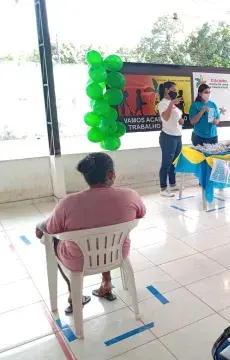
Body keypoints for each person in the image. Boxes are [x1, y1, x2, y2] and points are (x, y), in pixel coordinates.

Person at [35, 153, 146, 314]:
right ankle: (107, 282)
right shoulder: (130, 196)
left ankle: (74, 293)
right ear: (111, 175)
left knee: (55, 239)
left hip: (78, 261)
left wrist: (39, 225)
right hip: (117, 253)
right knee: (105, 237)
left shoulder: (68, 203)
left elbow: (51, 228)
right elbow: (141, 213)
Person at [157, 81, 184, 197]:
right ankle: (163, 188)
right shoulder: (163, 103)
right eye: (173, 89)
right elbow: (166, 118)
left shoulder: (172, 103)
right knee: (166, 163)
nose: (175, 91)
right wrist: (171, 103)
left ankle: (172, 184)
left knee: (174, 162)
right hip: (168, 137)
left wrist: (181, 121)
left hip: (177, 136)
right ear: (167, 90)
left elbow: (176, 118)